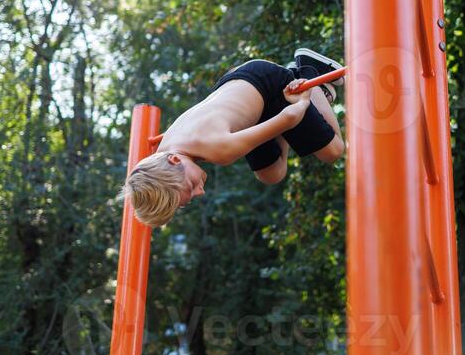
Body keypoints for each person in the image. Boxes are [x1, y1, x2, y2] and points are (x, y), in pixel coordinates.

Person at [121, 48, 345, 228]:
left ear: (175, 160)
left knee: (333, 151)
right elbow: (145, 177)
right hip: (235, 84)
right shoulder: (163, 151)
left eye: (190, 186)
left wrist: (302, 100)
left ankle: (307, 73)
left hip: (269, 84)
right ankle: (292, 95)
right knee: (271, 174)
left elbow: (289, 118)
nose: (200, 191)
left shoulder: (218, 149)